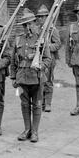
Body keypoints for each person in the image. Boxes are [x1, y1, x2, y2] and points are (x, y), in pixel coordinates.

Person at [11, 9, 52, 143]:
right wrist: (13, 77)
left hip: (37, 77)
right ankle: (27, 129)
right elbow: (13, 61)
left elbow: (48, 59)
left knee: (37, 105)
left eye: (30, 24)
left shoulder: (41, 39)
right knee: (24, 104)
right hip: (22, 78)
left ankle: (34, 131)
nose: (27, 27)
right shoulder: (18, 40)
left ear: (35, 23)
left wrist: (40, 65)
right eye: (25, 25)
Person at [35, 4, 61, 112]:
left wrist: (47, 47)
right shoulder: (37, 30)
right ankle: (41, 102)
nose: (40, 19)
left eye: (43, 17)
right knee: (39, 81)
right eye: (39, 17)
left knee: (48, 80)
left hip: (49, 58)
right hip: (38, 59)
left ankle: (48, 103)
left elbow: (58, 44)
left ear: (47, 17)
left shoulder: (52, 30)